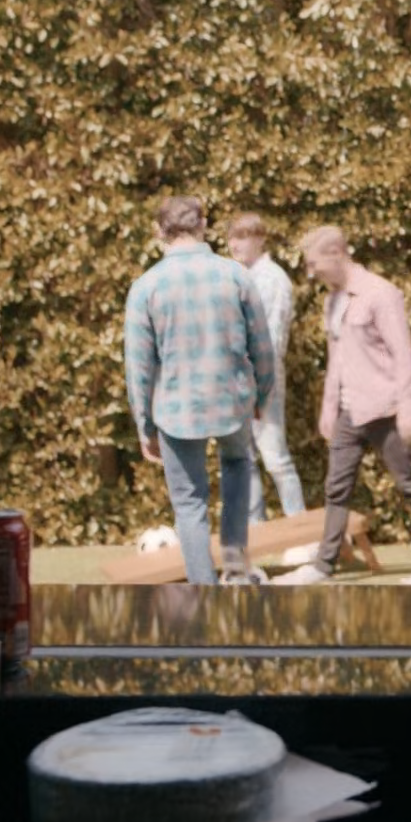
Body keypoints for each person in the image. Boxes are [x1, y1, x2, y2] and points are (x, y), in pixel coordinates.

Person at [271, 226, 411, 586]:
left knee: (410, 485)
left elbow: (404, 354)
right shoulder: (333, 300)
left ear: (336, 253)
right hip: (349, 411)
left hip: (385, 409)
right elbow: (336, 359)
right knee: (336, 488)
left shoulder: (380, 294)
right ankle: (323, 567)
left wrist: (409, 408)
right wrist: (328, 408)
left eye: (313, 263)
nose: (311, 272)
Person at [124, 196, 278, 586]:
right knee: (238, 472)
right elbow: (263, 348)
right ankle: (236, 571)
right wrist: (260, 397)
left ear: (159, 231)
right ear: (203, 225)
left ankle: (202, 591)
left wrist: (144, 425)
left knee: (189, 504)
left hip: (176, 410)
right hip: (231, 402)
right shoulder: (236, 275)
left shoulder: (146, 286)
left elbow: (138, 368)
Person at [224, 212, 307, 521]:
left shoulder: (272, 279)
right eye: (232, 237)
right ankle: (254, 531)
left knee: (276, 459)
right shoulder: (238, 277)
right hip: (237, 380)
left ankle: (301, 530)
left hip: (262, 379)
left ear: (260, 239)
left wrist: (258, 387)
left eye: (243, 237)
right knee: (243, 459)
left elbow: (271, 341)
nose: (235, 244)